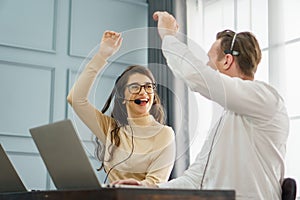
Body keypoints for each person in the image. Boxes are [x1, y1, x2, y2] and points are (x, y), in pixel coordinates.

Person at [113, 11, 290, 200]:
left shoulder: (266, 98)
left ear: (227, 60)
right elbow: (196, 178)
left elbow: (200, 77)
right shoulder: (226, 121)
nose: (207, 65)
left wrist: (168, 36)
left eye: (209, 60)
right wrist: (148, 188)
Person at [67, 30, 176, 185]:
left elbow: (155, 183)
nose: (143, 92)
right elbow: (76, 99)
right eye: (135, 87)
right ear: (123, 97)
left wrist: (134, 186)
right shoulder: (111, 129)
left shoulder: (164, 134)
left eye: (148, 87)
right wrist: (102, 56)